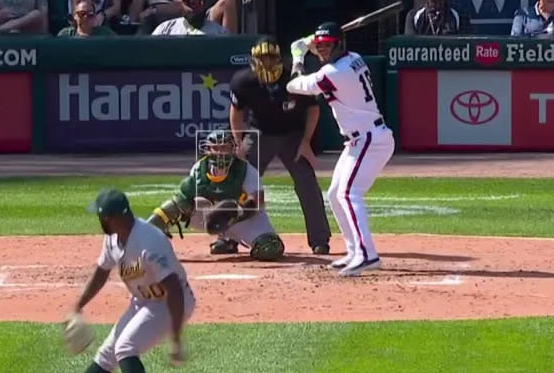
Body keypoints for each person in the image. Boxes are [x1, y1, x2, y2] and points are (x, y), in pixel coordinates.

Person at [16, 189, 192, 373]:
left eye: (101, 216)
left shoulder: (149, 242)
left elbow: (174, 288)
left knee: (125, 347)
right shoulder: (113, 239)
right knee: (107, 354)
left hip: (171, 302)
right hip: (144, 300)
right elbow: (101, 272)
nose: (99, 221)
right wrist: (78, 305)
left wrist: (175, 337)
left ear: (112, 217)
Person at [286, 22, 395, 278]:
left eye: (328, 46)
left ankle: (368, 255)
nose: (323, 50)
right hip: (360, 140)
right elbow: (326, 55)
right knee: (335, 194)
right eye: (320, 46)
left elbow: (295, 85)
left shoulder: (333, 74)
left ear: (339, 45)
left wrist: (298, 56)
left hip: (370, 139)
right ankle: (354, 250)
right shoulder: (353, 58)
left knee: (349, 193)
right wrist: (314, 42)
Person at [227, 37, 331, 255]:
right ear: (253, 60)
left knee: (307, 185)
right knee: (238, 182)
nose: (266, 63)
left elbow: (313, 110)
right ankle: (227, 237)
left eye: (271, 58)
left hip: (292, 135)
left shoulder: (294, 79)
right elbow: (235, 112)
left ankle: (319, 239)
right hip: (258, 133)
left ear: (280, 59)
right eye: (262, 58)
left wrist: (305, 142)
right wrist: (239, 144)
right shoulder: (243, 80)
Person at [146, 130, 286, 260]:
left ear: (233, 149)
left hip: (243, 218)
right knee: (175, 204)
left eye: (224, 148)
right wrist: (213, 213)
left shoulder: (246, 170)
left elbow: (258, 200)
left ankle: (231, 239)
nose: (220, 153)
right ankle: (147, 237)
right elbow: (183, 198)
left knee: (269, 248)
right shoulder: (199, 169)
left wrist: (235, 212)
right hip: (209, 218)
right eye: (216, 148)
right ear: (208, 150)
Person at [150, 0, 227, 35]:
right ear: (181, 5)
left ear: (205, 5)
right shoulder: (166, 28)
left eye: (199, 2)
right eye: (189, 2)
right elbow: (152, 49)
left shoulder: (219, 32)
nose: (194, 7)